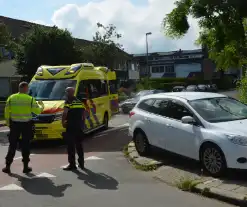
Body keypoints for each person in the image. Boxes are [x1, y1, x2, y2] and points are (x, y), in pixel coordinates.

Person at [2, 82, 44, 174]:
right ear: (25, 88)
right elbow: (37, 112)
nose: (28, 90)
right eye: (27, 88)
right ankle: (25, 167)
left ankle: (7, 166)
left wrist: (9, 123)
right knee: (25, 145)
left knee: (12, 146)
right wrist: (41, 106)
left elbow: (6, 112)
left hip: (15, 125)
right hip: (26, 125)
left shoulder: (11, 98)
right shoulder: (30, 99)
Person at [62, 87, 85, 171]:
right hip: (79, 126)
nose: (66, 94)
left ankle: (72, 164)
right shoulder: (79, 101)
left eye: (66, 92)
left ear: (68, 93)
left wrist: (63, 122)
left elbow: (65, 113)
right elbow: (83, 114)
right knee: (79, 145)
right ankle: (81, 163)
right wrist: (82, 124)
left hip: (71, 126)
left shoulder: (68, 101)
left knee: (71, 146)